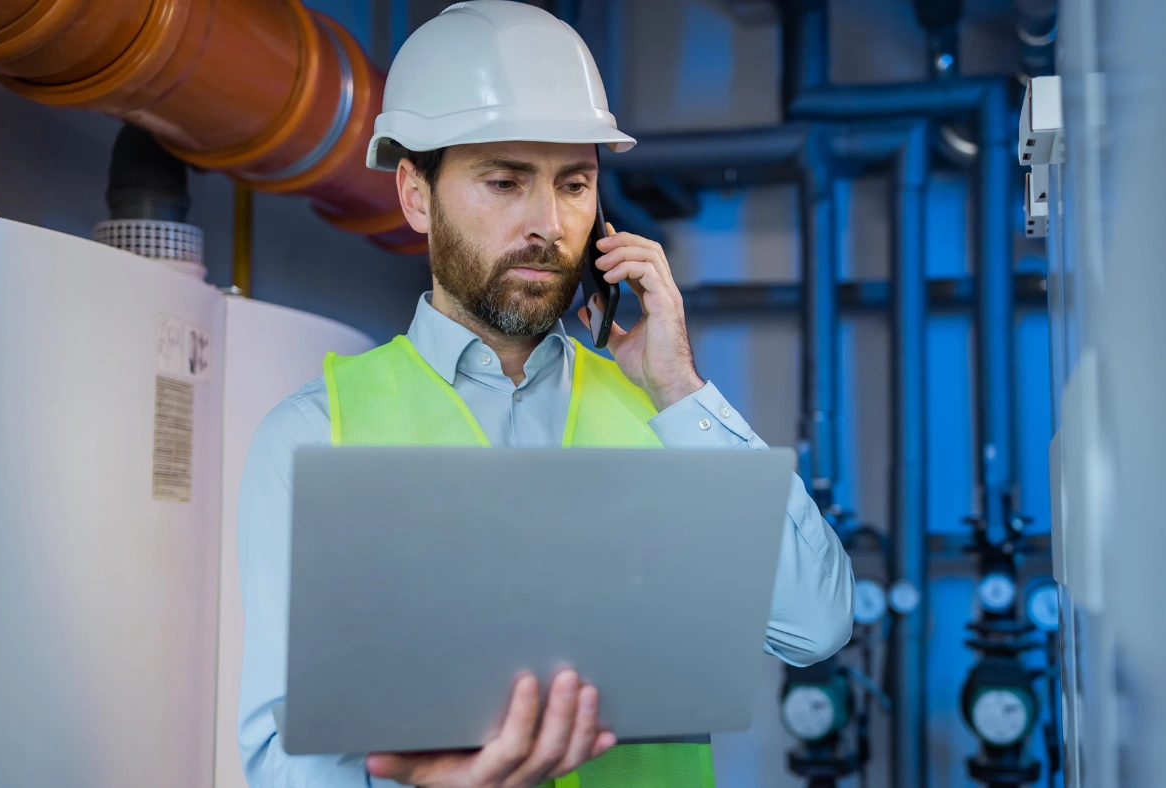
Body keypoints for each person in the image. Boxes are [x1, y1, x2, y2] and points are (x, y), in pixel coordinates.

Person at [235, 2, 855, 787]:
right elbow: (287, 763)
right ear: (417, 195)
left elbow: (818, 625)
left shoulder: (666, 416)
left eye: (574, 184)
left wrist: (680, 388)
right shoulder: (313, 436)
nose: (548, 224)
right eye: (505, 181)